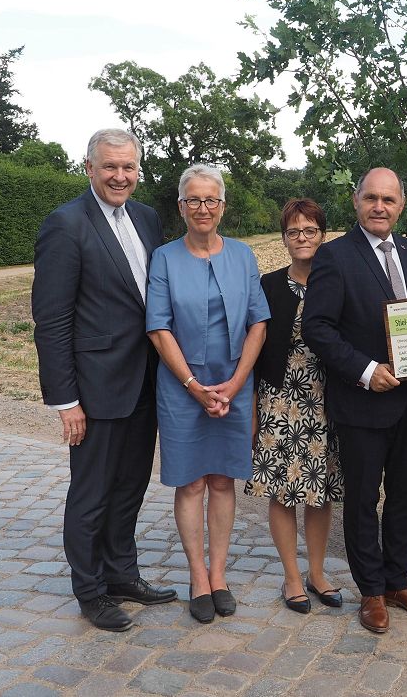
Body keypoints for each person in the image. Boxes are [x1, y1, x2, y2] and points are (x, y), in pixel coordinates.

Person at [32, 127, 176, 632]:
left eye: (128, 167)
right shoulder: (66, 225)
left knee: (131, 486)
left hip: (145, 383)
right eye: (110, 166)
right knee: (91, 492)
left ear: (139, 170)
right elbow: (51, 320)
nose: (120, 176)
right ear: (88, 167)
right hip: (94, 389)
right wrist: (65, 400)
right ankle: (90, 591)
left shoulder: (147, 218)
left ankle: (121, 574)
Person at [301, 168, 407, 634]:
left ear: (402, 204)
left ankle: (399, 581)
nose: (380, 207)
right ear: (356, 201)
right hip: (363, 402)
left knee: (406, 496)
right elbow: (317, 328)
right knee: (364, 500)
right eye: (371, 198)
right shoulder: (334, 256)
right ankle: (372, 592)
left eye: (389, 199)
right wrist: (365, 371)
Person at [145, 164, 270, 624]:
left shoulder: (242, 256)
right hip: (182, 388)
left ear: (222, 206)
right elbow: (158, 328)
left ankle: (219, 575)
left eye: (211, 200)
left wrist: (235, 384)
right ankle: (197, 575)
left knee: (222, 480)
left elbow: (259, 321)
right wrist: (195, 388)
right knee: (191, 481)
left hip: (234, 384)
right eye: (193, 200)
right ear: (181, 207)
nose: (203, 208)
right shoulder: (164, 258)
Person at [246, 198, 344, 614]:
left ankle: (317, 572)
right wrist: (250, 405)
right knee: (283, 493)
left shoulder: (339, 279)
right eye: (293, 232)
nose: (302, 238)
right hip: (279, 399)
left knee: (318, 493)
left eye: (310, 231)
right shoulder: (267, 285)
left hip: (328, 399)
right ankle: (291, 576)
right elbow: (250, 344)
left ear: (323, 235)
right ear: (284, 238)